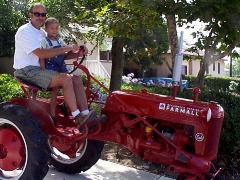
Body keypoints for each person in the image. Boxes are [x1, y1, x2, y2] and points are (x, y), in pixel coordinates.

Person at [13, 3, 95, 127]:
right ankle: (76, 116)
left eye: (43, 14)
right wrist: (66, 48)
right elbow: (41, 54)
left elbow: (56, 54)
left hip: (42, 69)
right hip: (27, 70)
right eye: (37, 14)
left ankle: (85, 114)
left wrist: (78, 53)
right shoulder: (25, 31)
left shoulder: (42, 33)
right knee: (66, 79)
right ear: (30, 15)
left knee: (77, 79)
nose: (40, 17)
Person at [39, 17, 86, 119]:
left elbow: (66, 53)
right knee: (55, 91)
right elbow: (42, 57)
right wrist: (42, 71)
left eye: (56, 28)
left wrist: (79, 51)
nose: (55, 30)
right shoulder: (44, 41)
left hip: (61, 67)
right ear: (46, 29)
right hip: (51, 69)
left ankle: (84, 111)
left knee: (74, 81)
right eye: (52, 28)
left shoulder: (60, 40)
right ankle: (52, 115)